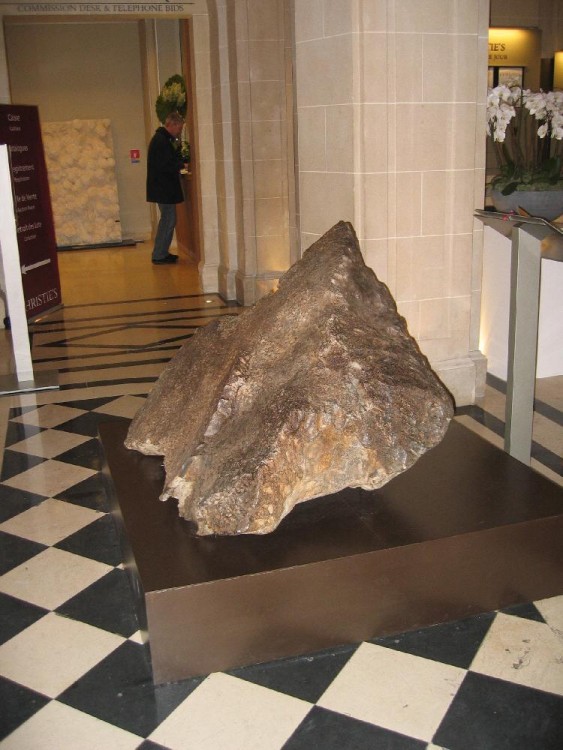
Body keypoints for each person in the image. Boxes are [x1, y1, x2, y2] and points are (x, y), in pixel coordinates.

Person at [146, 112, 187, 265]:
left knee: (168, 219)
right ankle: (159, 254)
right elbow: (166, 165)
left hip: (162, 188)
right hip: (163, 188)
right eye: (179, 128)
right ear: (173, 125)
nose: (179, 132)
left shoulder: (161, 139)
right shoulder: (161, 141)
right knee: (168, 220)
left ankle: (161, 252)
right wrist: (181, 165)